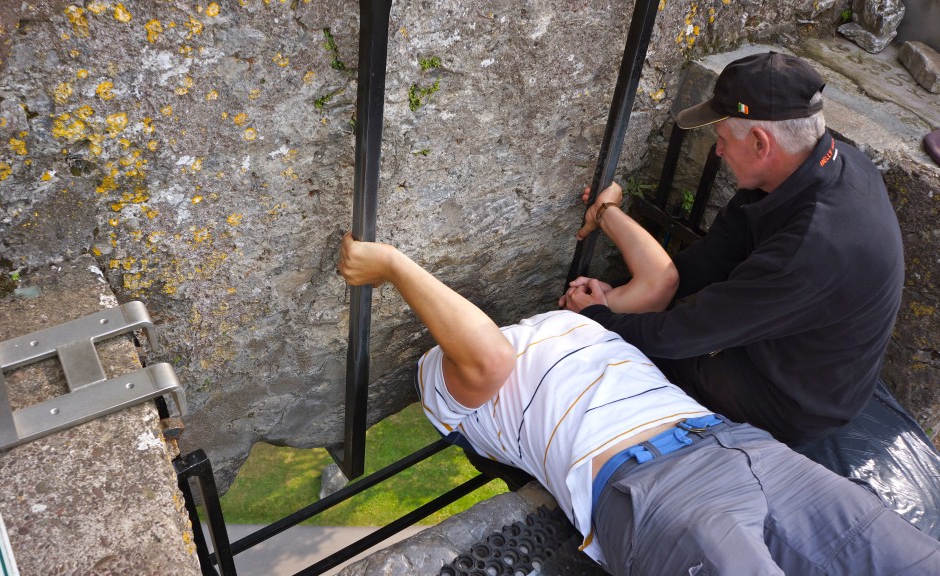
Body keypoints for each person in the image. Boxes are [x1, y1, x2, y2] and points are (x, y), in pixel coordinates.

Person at [338, 232, 939, 575]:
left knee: (911, 559)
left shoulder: (599, 330)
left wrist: (607, 213)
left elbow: (661, 281)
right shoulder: (453, 378)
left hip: (746, 448)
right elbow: (487, 355)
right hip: (651, 484)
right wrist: (393, 265)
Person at [561, 51, 904, 446]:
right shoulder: (827, 164)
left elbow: (682, 335)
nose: (718, 151)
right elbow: (715, 254)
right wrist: (625, 290)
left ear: (760, 143)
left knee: (632, 360)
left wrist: (599, 318)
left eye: (722, 139)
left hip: (792, 401)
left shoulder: (810, 250)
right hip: (789, 343)